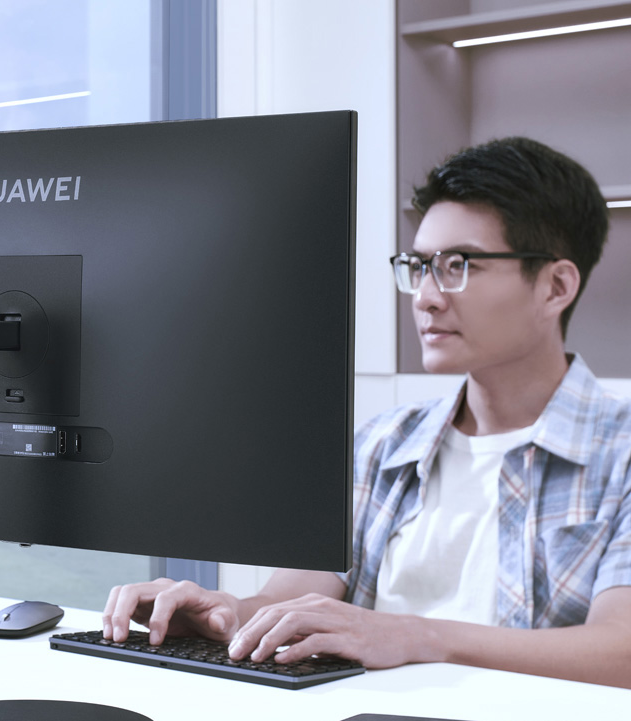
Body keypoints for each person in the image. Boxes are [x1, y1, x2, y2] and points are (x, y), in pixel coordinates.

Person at [103, 137, 631, 689]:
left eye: (458, 265)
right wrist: (222, 614)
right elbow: (286, 603)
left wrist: (416, 636)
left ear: (555, 286)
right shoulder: (382, 445)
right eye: (419, 266)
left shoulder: (619, 454)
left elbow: (620, 652)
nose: (425, 297)